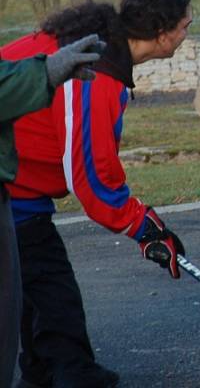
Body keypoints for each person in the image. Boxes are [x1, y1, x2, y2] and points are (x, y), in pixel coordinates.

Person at [1, 0, 192, 388]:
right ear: (162, 35)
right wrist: (143, 227)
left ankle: (46, 371)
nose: (186, 34)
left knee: (39, 283)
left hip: (22, 186)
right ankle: (71, 373)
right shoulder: (94, 74)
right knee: (51, 285)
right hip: (12, 183)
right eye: (184, 27)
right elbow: (90, 177)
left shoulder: (104, 49)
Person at [1, 36, 105, 388]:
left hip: (21, 199)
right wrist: (45, 72)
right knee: (52, 289)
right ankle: (72, 371)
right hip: (21, 204)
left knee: (29, 291)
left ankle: (40, 367)